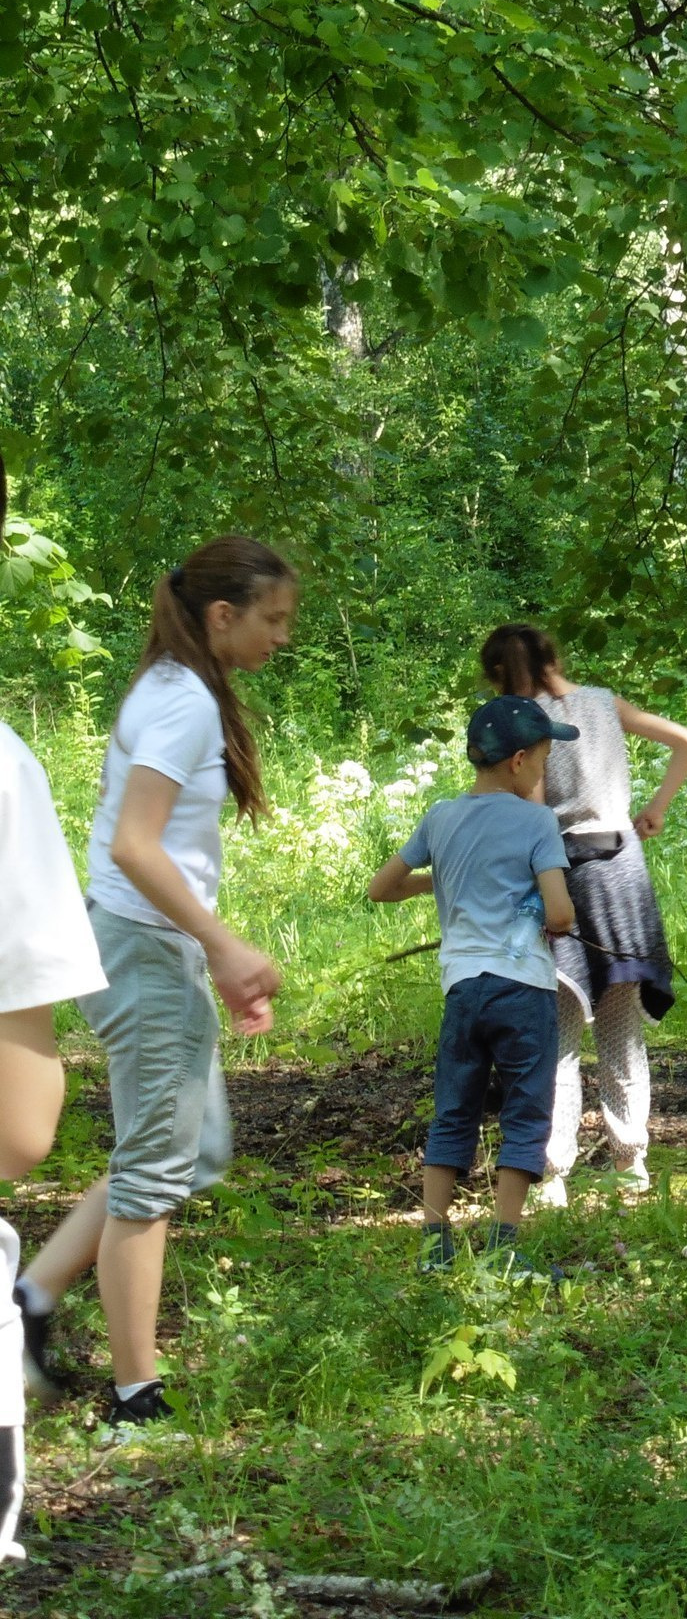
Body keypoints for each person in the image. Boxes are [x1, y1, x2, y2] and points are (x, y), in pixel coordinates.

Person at [17, 537, 296, 1441]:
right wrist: (223, 945)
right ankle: (136, 1398)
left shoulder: (180, 690)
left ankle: (30, 1296)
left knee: (192, 1148)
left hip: (142, 942)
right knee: (155, 1171)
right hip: (143, 944)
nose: (282, 637)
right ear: (224, 616)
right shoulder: (181, 702)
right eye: (274, 619)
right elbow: (138, 846)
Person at [480, 624, 687, 1204]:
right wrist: (653, 809)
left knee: (558, 1030)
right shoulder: (603, 702)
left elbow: (527, 813)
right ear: (554, 656)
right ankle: (631, 1163)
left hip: (564, 874)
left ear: (500, 675)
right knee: (621, 1025)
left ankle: (552, 1173)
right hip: (623, 869)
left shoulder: (519, 721)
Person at [367, 696, 577, 1271]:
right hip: (524, 989)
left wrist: (438, 887)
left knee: (454, 1109)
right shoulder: (536, 820)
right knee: (526, 1111)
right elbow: (559, 914)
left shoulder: (441, 817)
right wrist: (545, 905)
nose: (544, 766)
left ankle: (435, 1246)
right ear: (516, 760)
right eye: (543, 755)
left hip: (463, 987)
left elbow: (381, 887)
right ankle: (504, 1249)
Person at [3, 636, 110, 1549]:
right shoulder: (4, 764)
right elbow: (20, 1128)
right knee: (175, 1148)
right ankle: (38, 1298)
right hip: (160, 966)